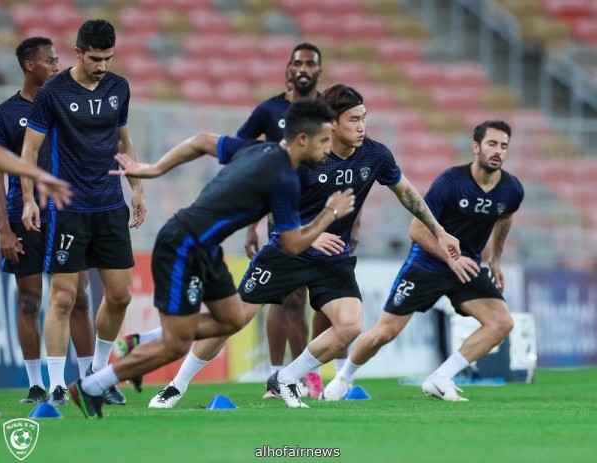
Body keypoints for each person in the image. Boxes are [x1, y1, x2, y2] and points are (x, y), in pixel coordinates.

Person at [126, 84, 461, 410]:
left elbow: (407, 193)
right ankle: (176, 386)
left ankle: (286, 378)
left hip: (333, 258)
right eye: (354, 120)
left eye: (365, 118)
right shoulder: (309, 155)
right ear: (332, 123)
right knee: (234, 320)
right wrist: (311, 233)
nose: (362, 127)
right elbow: (275, 202)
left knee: (350, 325)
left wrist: (440, 231)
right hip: (288, 250)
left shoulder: (375, 154)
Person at [67, 98, 356, 418]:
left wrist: (155, 169)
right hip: (182, 246)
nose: (329, 150)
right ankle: (93, 385)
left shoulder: (260, 149)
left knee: (232, 319)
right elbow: (291, 245)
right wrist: (330, 213)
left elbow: (203, 141)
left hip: (206, 249)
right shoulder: (284, 178)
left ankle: (147, 344)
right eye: (324, 141)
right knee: (176, 346)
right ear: (303, 139)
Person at [322, 120, 523, 402]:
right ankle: (343, 379)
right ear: (476, 147)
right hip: (427, 265)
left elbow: (505, 217)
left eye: (503, 146)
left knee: (501, 323)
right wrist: (452, 259)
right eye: (492, 144)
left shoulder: (512, 190)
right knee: (384, 332)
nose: (498, 151)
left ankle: (440, 378)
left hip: (466, 266)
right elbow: (416, 230)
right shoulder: (451, 182)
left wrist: (497, 260)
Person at [20, 20, 146, 406]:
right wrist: (28, 199)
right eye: (95, 58)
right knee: (62, 298)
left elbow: (123, 140)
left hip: (110, 206)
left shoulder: (118, 88)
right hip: (69, 208)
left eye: (108, 58)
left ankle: (97, 375)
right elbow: (28, 151)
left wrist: (136, 187)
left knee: (121, 295)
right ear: (77, 53)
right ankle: (58, 384)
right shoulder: (53, 92)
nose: (102, 66)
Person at [0, 37, 94, 404]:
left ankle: (90, 381)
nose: (58, 66)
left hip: (69, 214)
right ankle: (37, 384)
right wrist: (3, 229)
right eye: (51, 61)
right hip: (24, 216)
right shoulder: (5, 114)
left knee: (79, 297)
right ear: (30, 66)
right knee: (29, 300)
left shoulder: (67, 106)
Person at [239, 42, 327, 399]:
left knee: (319, 299)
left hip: (323, 216)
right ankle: (279, 377)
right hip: (284, 215)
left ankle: (306, 372)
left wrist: (350, 222)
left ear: (319, 70)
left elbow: (350, 167)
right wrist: (251, 223)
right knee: (284, 297)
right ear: (288, 70)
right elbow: (251, 162)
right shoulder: (269, 110)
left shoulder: (329, 109)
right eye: (298, 62)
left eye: (310, 63)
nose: (303, 68)